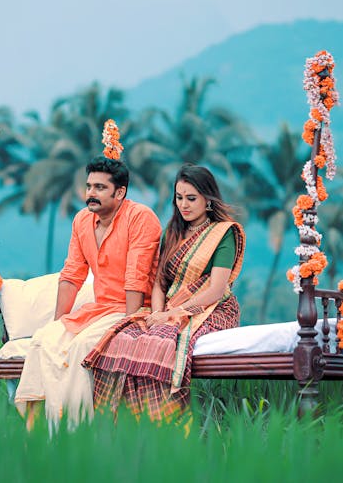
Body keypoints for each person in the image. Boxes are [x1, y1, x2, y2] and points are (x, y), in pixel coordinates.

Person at [13, 120, 162, 431]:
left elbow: (137, 277)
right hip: (97, 310)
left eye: (100, 188)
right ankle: (36, 430)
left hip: (131, 310)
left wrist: (130, 324)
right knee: (44, 340)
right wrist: (58, 321)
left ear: (120, 192)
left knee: (82, 349)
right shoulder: (83, 220)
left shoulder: (140, 218)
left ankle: (77, 429)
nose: (91, 194)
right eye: (89, 186)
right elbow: (71, 276)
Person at [83, 163, 245, 421]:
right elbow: (159, 282)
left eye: (191, 198)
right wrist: (157, 313)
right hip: (170, 308)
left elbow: (215, 289)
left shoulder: (223, 233)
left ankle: (168, 423)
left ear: (208, 199)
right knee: (125, 338)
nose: (184, 205)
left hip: (212, 310)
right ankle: (125, 422)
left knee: (160, 340)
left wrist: (174, 315)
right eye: (179, 198)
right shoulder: (173, 231)